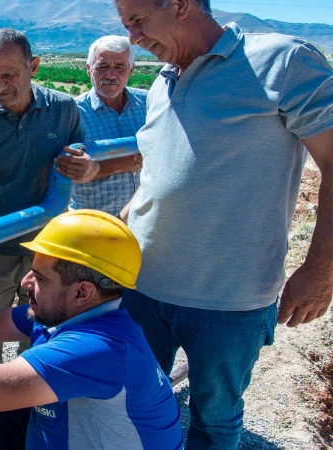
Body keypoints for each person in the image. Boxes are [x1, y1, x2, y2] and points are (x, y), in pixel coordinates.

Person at [113, 0, 333, 448]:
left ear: (179, 5)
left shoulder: (282, 61)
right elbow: (160, 167)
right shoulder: (161, 82)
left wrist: (321, 271)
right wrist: (132, 212)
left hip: (227, 301)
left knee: (214, 418)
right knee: (135, 401)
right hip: (142, 286)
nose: (132, 37)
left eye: (136, 20)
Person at [0, 210, 184, 450]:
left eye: (39, 277)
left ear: (82, 292)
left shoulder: (101, 347)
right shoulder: (72, 313)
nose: (26, 283)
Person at [0, 28, 100, 365]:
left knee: (42, 328)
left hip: (47, 247)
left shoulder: (64, 109)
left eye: (9, 75)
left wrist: (87, 170)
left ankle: (32, 401)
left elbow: (84, 166)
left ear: (34, 66)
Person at [69, 35, 146, 215]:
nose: (111, 75)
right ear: (88, 69)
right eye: (102, 66)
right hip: (95, 224)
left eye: (119, 67)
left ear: (131, 70)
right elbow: (67, 170)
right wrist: (126, 163)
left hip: (145, 224)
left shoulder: (150, 103)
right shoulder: (72, 113)